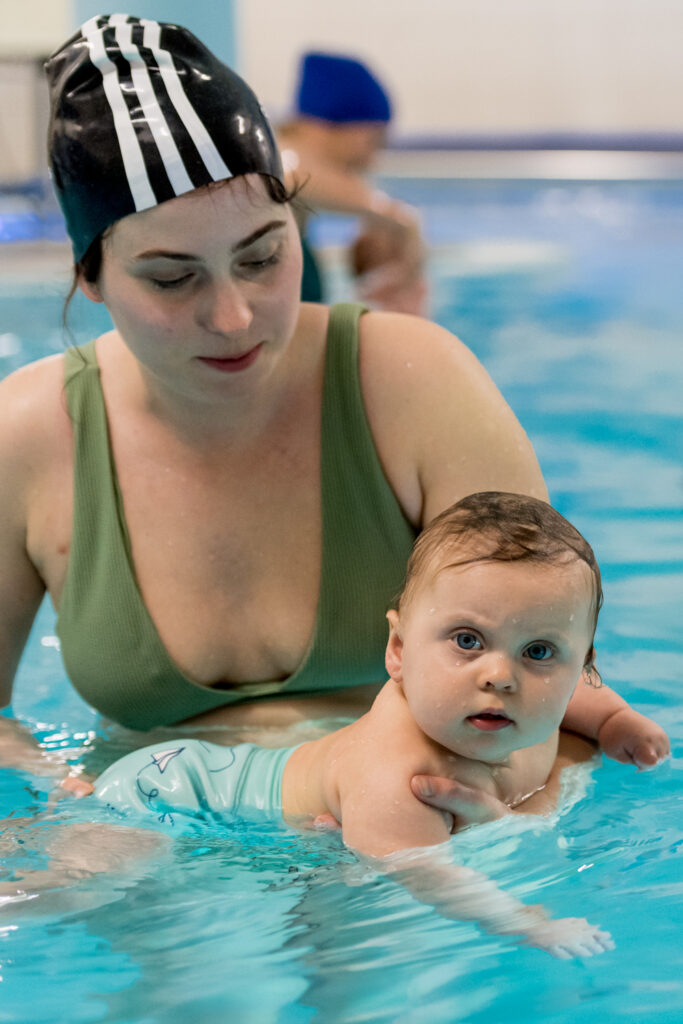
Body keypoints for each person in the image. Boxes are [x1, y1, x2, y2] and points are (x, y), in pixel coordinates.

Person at [0, 16, 668, 827]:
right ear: (90, 278)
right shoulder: (30, 434)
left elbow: (549, 671)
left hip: (414, 819)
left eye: (261, 256)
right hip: (167, 826)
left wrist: (489, 808)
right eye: (173, 279)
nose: (235, 314)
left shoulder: (414, 384)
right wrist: (62, 808)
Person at [43, 493, 618, 957]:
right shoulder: (400, 773)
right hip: (170, 790)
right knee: (74, 891)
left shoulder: (521, 728)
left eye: (539, 652)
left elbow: (561, 755)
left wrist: (616, 723)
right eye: (467, 641)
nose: (500, 675)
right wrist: (529, 923)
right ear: (398, 650)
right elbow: (421, 876)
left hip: (207, 784)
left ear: (582, 670)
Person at [277, 51, 428, 313]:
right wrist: (399, 218)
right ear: (330, 125)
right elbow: (287, 169)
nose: (370, 161)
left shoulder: (293, 204)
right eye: (373, 141)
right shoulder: (272, 159)